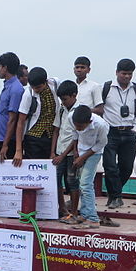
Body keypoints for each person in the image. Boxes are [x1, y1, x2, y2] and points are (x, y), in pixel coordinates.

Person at [101, 58, 136, 209]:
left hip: (129, 133)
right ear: (117, 72)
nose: (126, 77)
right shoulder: (106, 88)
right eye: (124, 73)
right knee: (110, 166)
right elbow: (100, 109)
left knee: (126, 167)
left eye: (130, 74)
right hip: (110, 132)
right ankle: (116, 197)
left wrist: (135, 128)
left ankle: (114, 194)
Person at [2, 67, 58, 165]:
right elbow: (20, 122)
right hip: (33, 137)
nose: (35, 90)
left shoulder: (55, 84)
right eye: (33, 87)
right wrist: (18, 150)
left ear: (45, 82)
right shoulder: (28, 94)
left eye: (38, 87)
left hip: (51, 136)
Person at [71, 105, 109, 229]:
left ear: (90, 122)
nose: (78, 128)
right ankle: (85, 213)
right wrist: (76, 153)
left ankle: (93, 219)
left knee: (86, 184)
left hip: (94, 152)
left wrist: (83, 158)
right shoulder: (73, 117)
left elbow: (101, 144)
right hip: (81, 150)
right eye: (76, 125)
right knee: (81, 183)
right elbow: (75, 136)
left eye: (81, 127)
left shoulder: (101, 125)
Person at [53, 81, 81, 222]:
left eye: (65, 99)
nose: (63, 102)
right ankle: (62, 208)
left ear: (74, 95)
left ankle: (74, 212)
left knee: (72, 181)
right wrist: (53, 152)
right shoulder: (62, 109)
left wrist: (63, 155)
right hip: (59, 150)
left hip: (70, 153)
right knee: (56, 180)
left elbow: (76, 136)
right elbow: (56, 130)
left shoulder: (79, 110)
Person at [0, 52, 24, 160]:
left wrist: (5, 145)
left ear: (5, 68)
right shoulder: (7, 85)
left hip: (7, 142)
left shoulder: (15, 89)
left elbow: (12, 119)